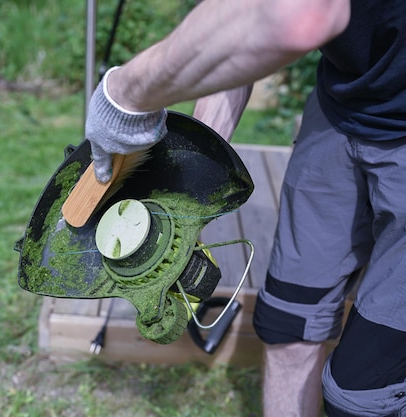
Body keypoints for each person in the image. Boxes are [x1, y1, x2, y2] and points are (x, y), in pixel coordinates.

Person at [84, 0, 406, 416]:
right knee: (287, 327)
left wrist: (124, 94)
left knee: (362, 395)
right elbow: (239, 36)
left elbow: (295, 14)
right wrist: (193, 195)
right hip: (344, 104)